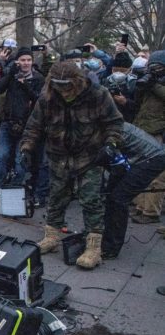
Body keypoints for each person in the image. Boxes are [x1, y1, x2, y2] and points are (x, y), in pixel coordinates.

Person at [20, 61, 123, 270]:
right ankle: (51, 236)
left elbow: (114, 123)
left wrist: (111, 145)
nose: (63, 92)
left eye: (67, 86)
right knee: (57, 196)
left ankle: (94, 247)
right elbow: (34, 126)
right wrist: (27, 148)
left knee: (91, 200)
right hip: (58, 156)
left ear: (77, 82)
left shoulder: (98, 94)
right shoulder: (47, 97)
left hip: (90, 156)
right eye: (59, 86)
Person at [101, 123, 165, 259]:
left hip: (152, 158)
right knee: (111, 195)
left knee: (118, 199)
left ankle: (111, 247)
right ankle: (106, 237)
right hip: (137, 157)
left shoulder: (109, 125)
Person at [0, 47, 45, 197]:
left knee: (20, 160)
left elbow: (39, 99)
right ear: (17, 61)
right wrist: (11, 74)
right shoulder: (12, 74)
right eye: (23, 60)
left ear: (32, 62)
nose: (26, 63)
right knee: (1, 157)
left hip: (26, 125)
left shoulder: (38, 78)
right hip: (8, 122)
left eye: (28, 60)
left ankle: (14, 188)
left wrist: (25, 84)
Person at [131, 50, 165, 224]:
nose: (153, 70)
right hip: (144, 131)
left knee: (157, 176)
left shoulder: (158, 85)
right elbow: (136, 104)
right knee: (141, 172)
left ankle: (151, 212)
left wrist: (155, 85)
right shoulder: (149, 82)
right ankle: (140, 206)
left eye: (157, 67)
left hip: (160, 133)